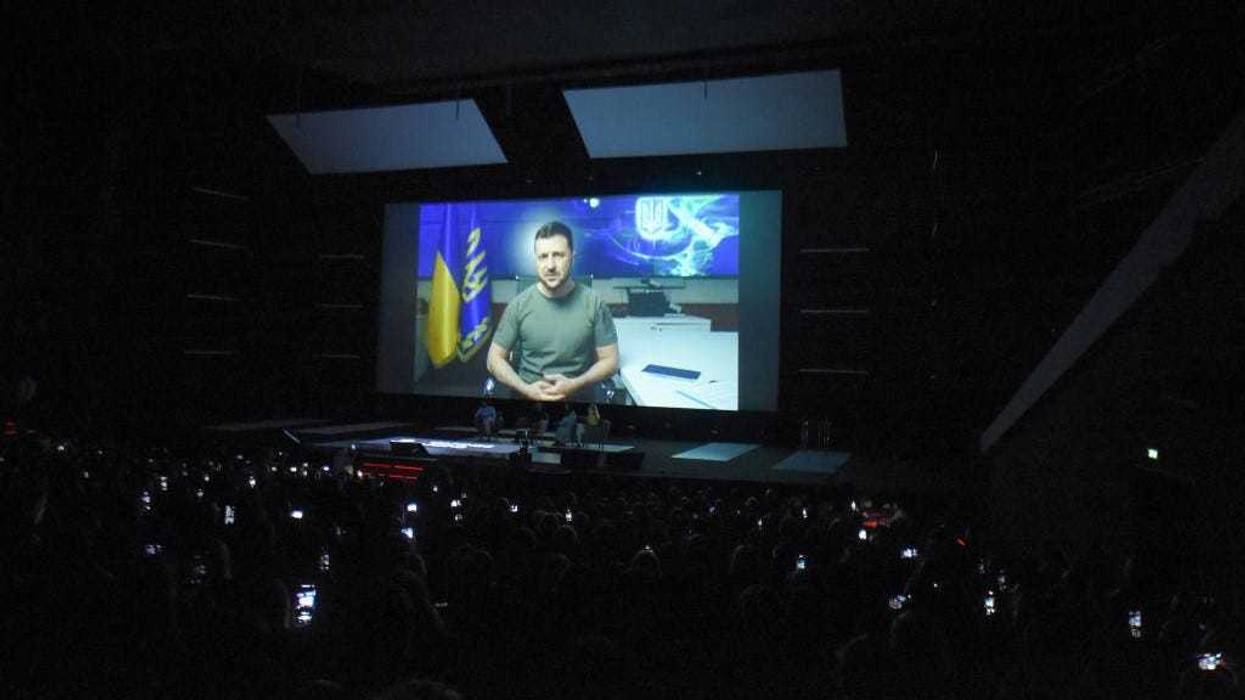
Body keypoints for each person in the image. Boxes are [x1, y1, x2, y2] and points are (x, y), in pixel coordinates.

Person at [486, 221, 619, 403]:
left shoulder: (594, 303)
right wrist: (525, 388)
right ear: (536, 260)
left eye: (558, 255)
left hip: (578, 399)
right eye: (543, 256)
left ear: (572, 256)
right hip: (527, 398)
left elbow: (610, 361)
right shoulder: (518, 305)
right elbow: (493, 359)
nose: (550, 265)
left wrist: (576, 383)